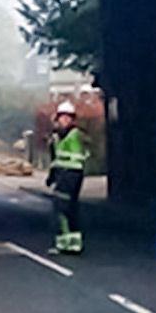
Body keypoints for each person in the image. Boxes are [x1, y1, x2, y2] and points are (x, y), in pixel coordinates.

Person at [47, 100, 89, 255]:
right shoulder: (59, 136)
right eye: (62, 117)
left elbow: (76, 159)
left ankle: (65, 244)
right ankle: (71, 243)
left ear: (72, 120)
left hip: (71, 177)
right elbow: (56, 159)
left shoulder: (73, 135)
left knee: (62, 208)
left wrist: (67, 177)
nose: (64, 120)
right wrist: (52, 176)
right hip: (63, 176)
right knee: (68, 209)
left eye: (67, 118)